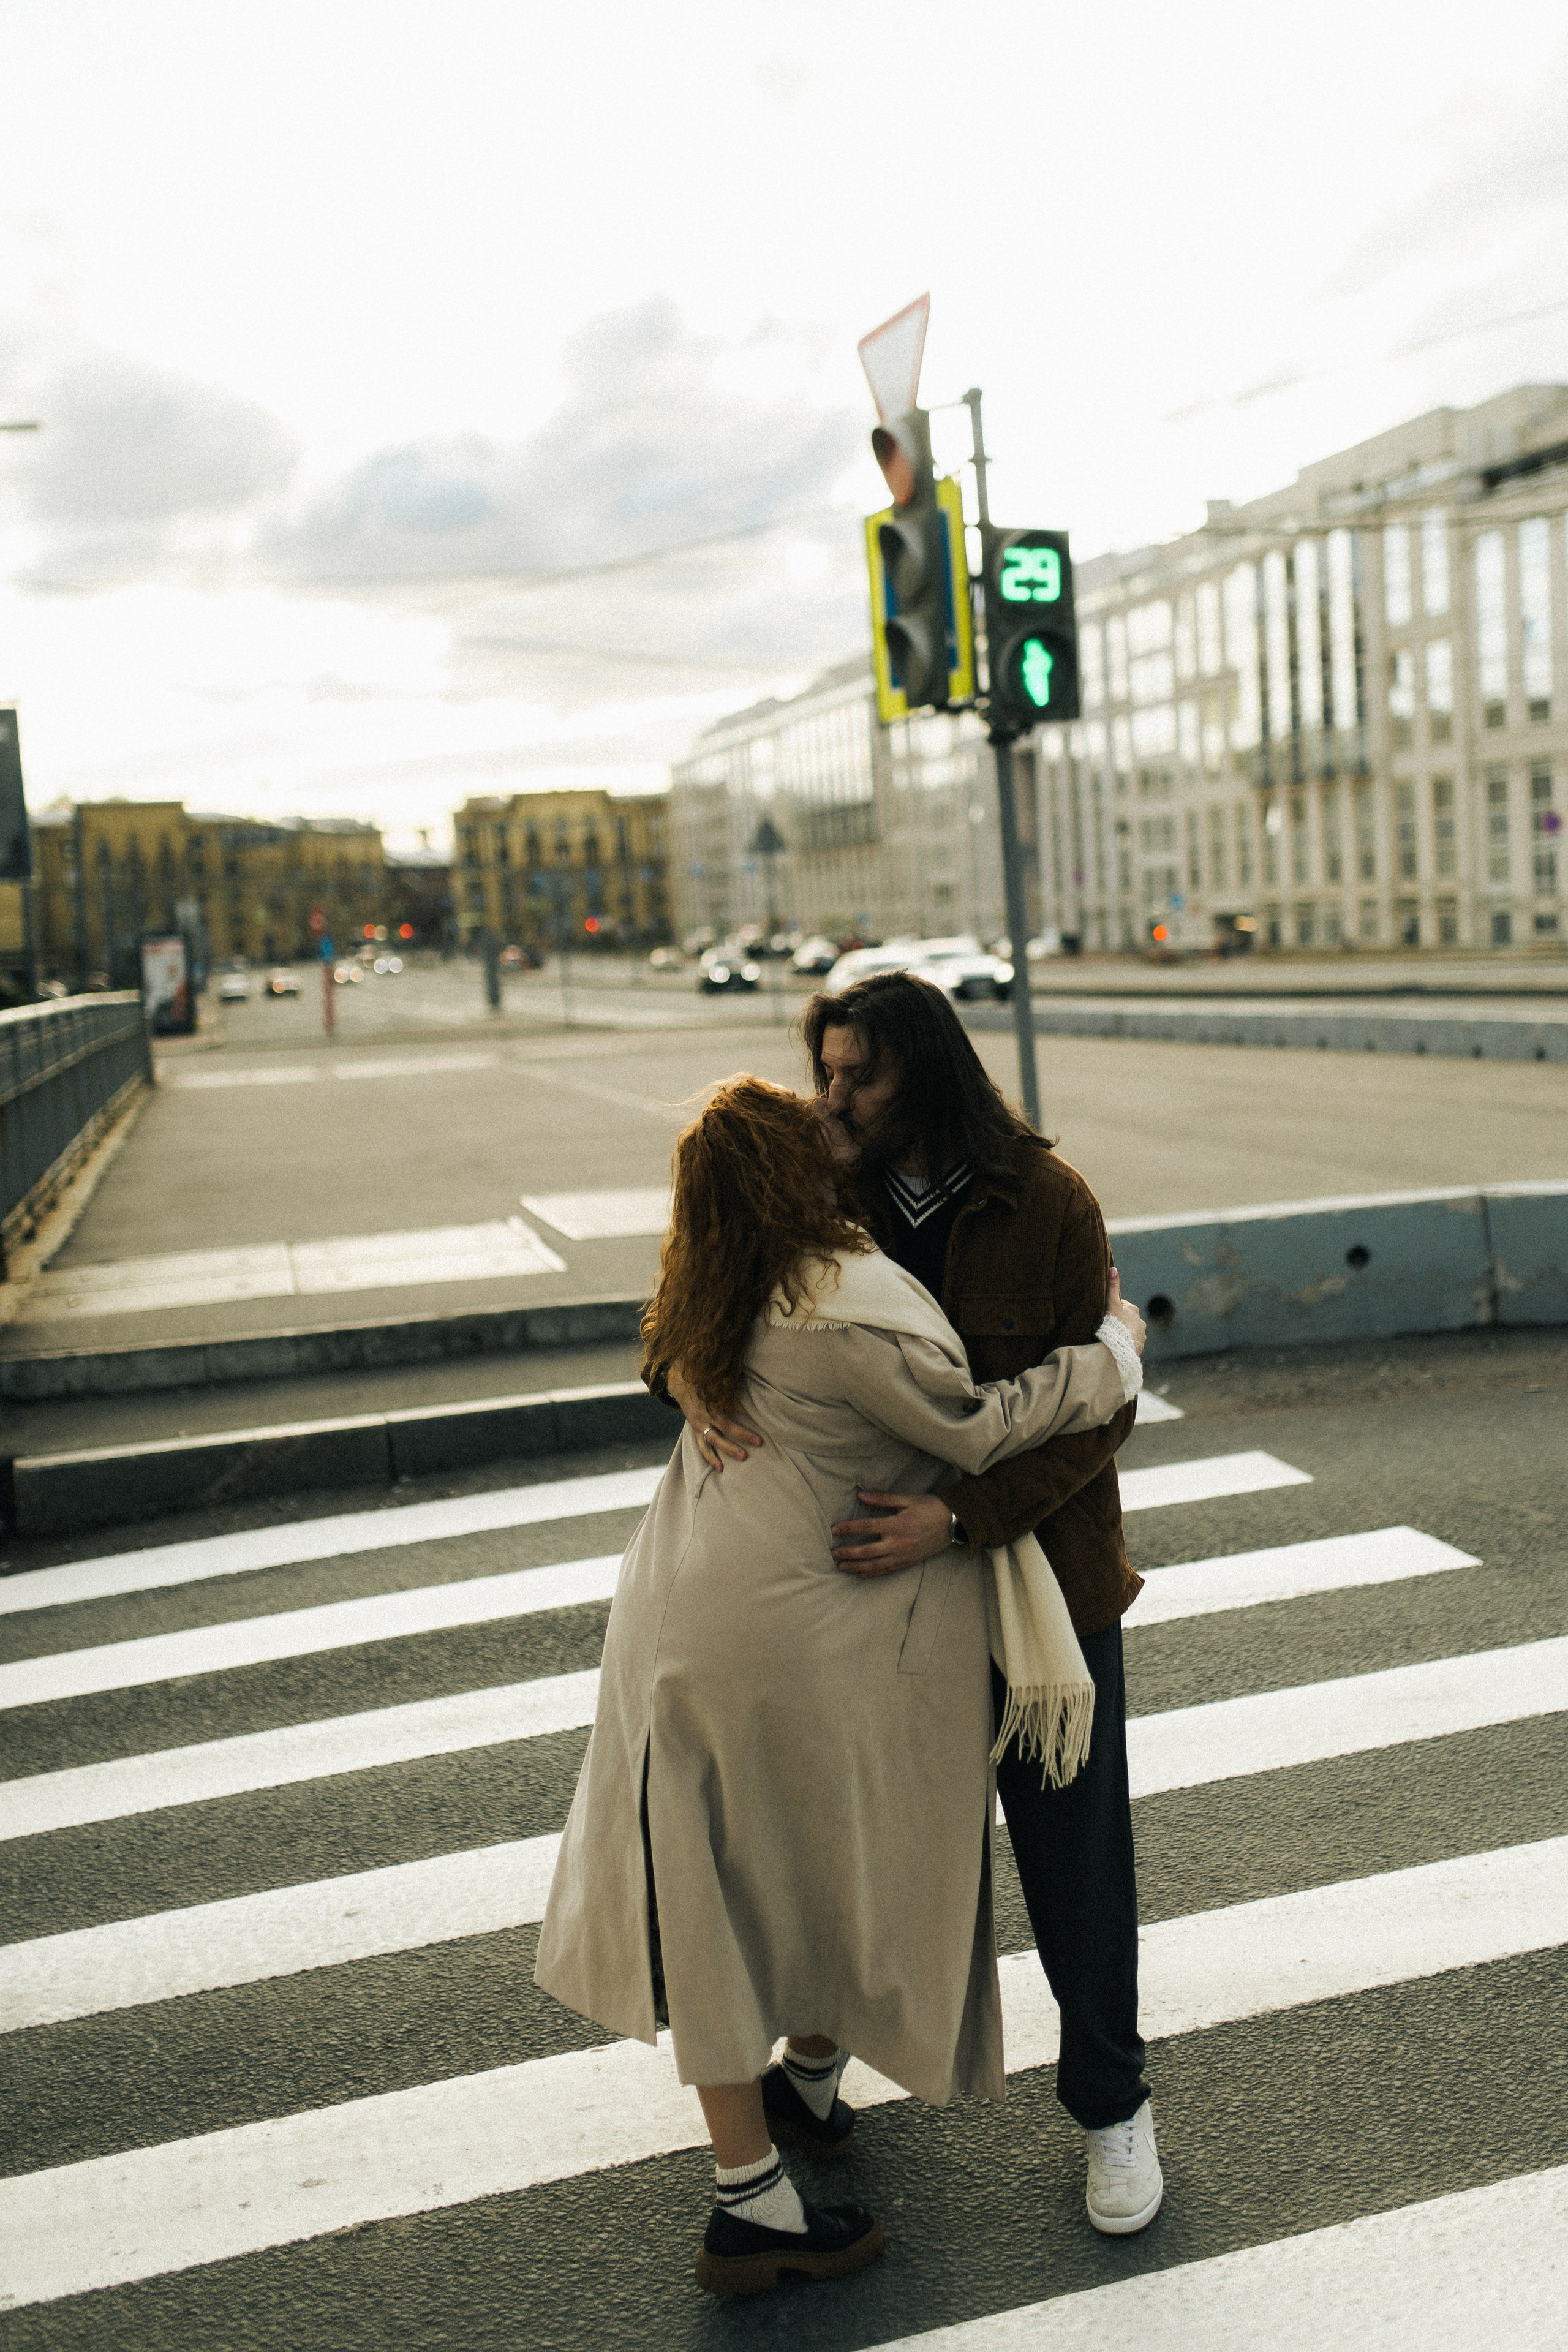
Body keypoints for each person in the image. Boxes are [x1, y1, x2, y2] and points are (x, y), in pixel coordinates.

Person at [535, 1076, 1145, 2298]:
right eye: (815, 1122)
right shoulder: (837, 1315)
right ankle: (749, 2202)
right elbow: (973, 1425)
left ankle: (804, 2093)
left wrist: (686, 1372)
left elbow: (671, 1341)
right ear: (782, 1175)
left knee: (756, 1873)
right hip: (760, 1640)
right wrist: (1115, 1358)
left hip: (680, 1610)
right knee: (751, 1888)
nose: (839, 1124)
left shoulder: (720, 1275)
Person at [669, 974, 1163, 2239]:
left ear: (928, 1074)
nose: (830, 1097)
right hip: (878, 1605)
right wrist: (681, 1376)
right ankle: (820, 2067)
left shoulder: (1045, 1200)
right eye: (824, 1072)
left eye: (858, 1077)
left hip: (1036, 1585)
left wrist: (960, 1519)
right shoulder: (815, 1190)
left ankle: (1113, 2112)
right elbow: (698, 1282)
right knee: (861, 1842)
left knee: (1073, 1870)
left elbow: (1095, 1416)